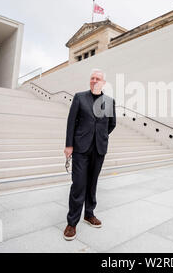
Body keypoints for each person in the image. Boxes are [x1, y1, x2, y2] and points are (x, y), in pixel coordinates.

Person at [63, 68, 116, 241]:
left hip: (98, 149)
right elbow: (71, 122)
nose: (94, 80)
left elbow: (112, 124)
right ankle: (72, 223)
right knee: (78, 184)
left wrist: (101, 136)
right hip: (80, 148)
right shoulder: (79, 97)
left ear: (103, 83)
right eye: (92, 78)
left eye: (98, 78)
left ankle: (89, 214)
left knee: (92, 183)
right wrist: (69, 145)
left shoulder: (109, 101)